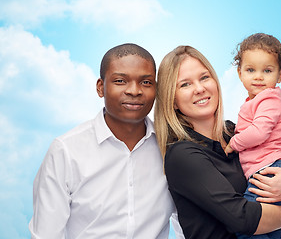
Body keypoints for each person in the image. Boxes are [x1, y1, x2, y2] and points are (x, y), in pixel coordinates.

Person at [154, 45, 281, 239]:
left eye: (204, 78)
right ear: (172, 100)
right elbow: (241, 218)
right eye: (185, 84)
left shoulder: (234, 133)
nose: (199, 89)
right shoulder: (183, 154)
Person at [29, 43, 183, 238]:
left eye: (146, 82)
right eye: (120, 81)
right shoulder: (66, 151)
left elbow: (188, 223)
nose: (134, 91)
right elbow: (46, 234)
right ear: (101, 87)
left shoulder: (171, 149)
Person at [223, 33, 281, 239]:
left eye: (267, 70)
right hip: (272, 169)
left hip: (271, 170)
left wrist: (234, 143)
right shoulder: (255, 101)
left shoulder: (268, 99)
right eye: (251, 70)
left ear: (280, 75)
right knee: (268, 232)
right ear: (240, 73)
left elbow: (260, 132)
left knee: (245, 224)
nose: (258, 76)